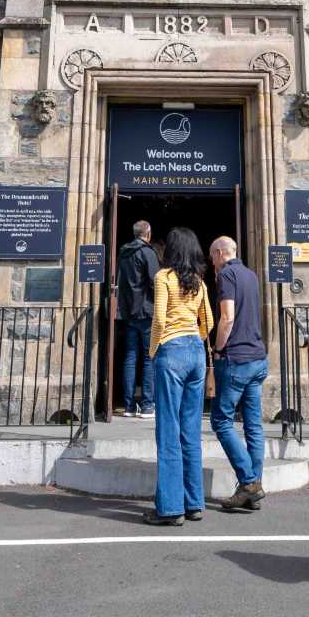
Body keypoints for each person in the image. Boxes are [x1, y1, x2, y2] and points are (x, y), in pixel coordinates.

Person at [146, 225, 212, 525]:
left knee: (168, 430)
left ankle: (171, 508)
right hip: (196, 353)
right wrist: (194, 339)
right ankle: (194, 503)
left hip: (170, 349)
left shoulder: (163, 277)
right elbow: (208, 320)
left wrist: (153, 350)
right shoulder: (199, 281)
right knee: (190, 431)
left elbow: (159, 318)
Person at [207, 236, 268, 512]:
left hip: (237, 359)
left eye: (212, 257)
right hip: (257, 358)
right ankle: (252, 488)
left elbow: (228, 316)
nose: (212, 263)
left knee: (221, 420)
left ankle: (249, 482)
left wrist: (218, 348)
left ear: (220, 253)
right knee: (253, 425)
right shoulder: (251, 275)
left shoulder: (228, 274)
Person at [116, 220, 160, 418]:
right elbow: (155, 282)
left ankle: (128, 406)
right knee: (149, 358)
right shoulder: (147, 252)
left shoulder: (124, 253)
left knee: (130, 358)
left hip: (128, 312)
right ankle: (148, 405)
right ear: (148, 233)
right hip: (146, 312)